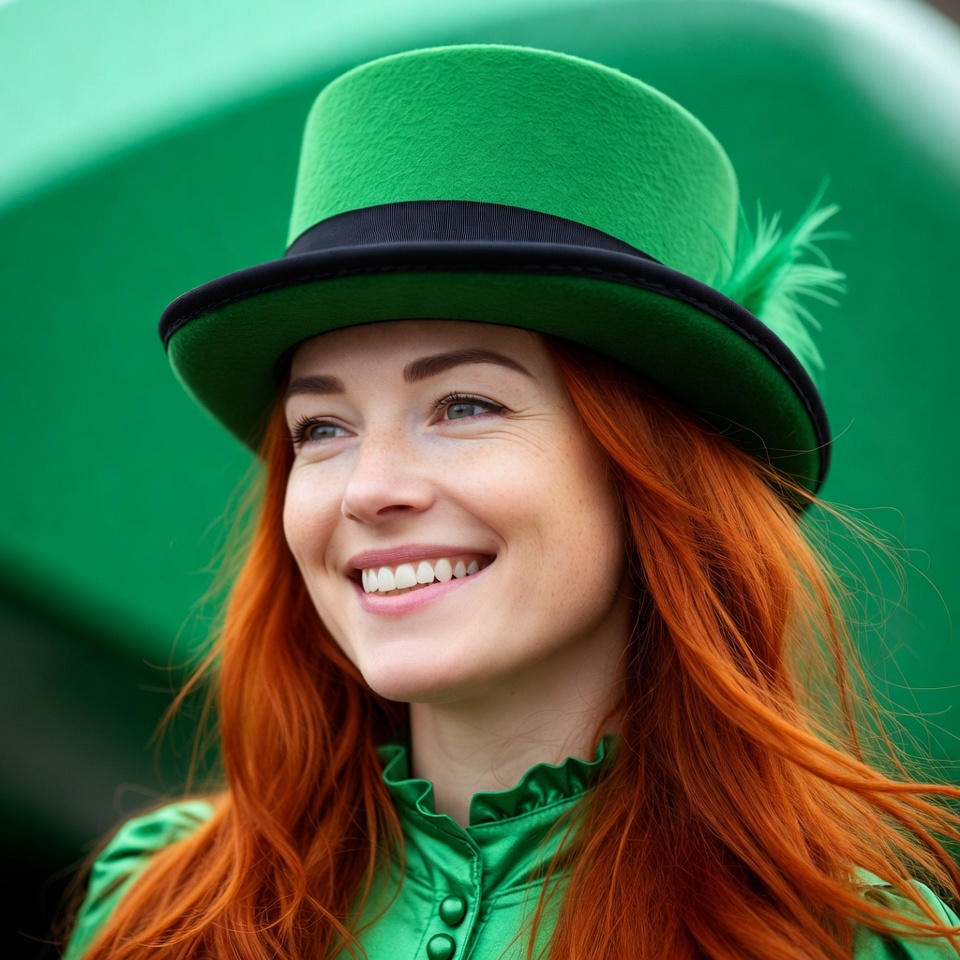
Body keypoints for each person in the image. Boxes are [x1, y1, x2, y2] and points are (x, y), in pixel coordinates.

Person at [63, 44, 960, 960]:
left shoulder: (850, 942)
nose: (370, 491)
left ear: (650, 473)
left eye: (463, 406)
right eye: (321, 429)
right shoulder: (164, 911)